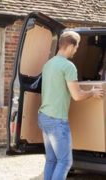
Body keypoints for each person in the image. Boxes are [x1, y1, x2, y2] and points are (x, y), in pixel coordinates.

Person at [38, 31, 104, 180]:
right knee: (65, 161)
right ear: (70, 45)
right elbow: (77, 95)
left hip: (44, 117)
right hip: (57, 121)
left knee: (51, 160)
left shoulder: (48, 64)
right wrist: (92, 92)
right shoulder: (68, 67)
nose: (77, 50)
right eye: (77, 46)